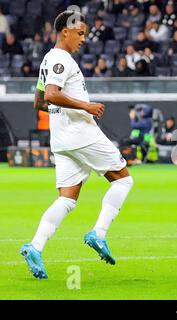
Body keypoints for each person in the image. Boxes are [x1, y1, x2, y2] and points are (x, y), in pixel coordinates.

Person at [20, 10, 134, 279]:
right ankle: (99, 233)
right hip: (80, 133)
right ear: (65, 32)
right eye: (80, 34)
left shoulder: (47, 60)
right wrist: (85, 106)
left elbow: (39, 102)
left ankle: (35, 246)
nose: (84, 39)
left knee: (67, 200)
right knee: (123, 180)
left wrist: (61, 113)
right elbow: (52, 94)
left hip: (61, 138)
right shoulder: (62, 59)